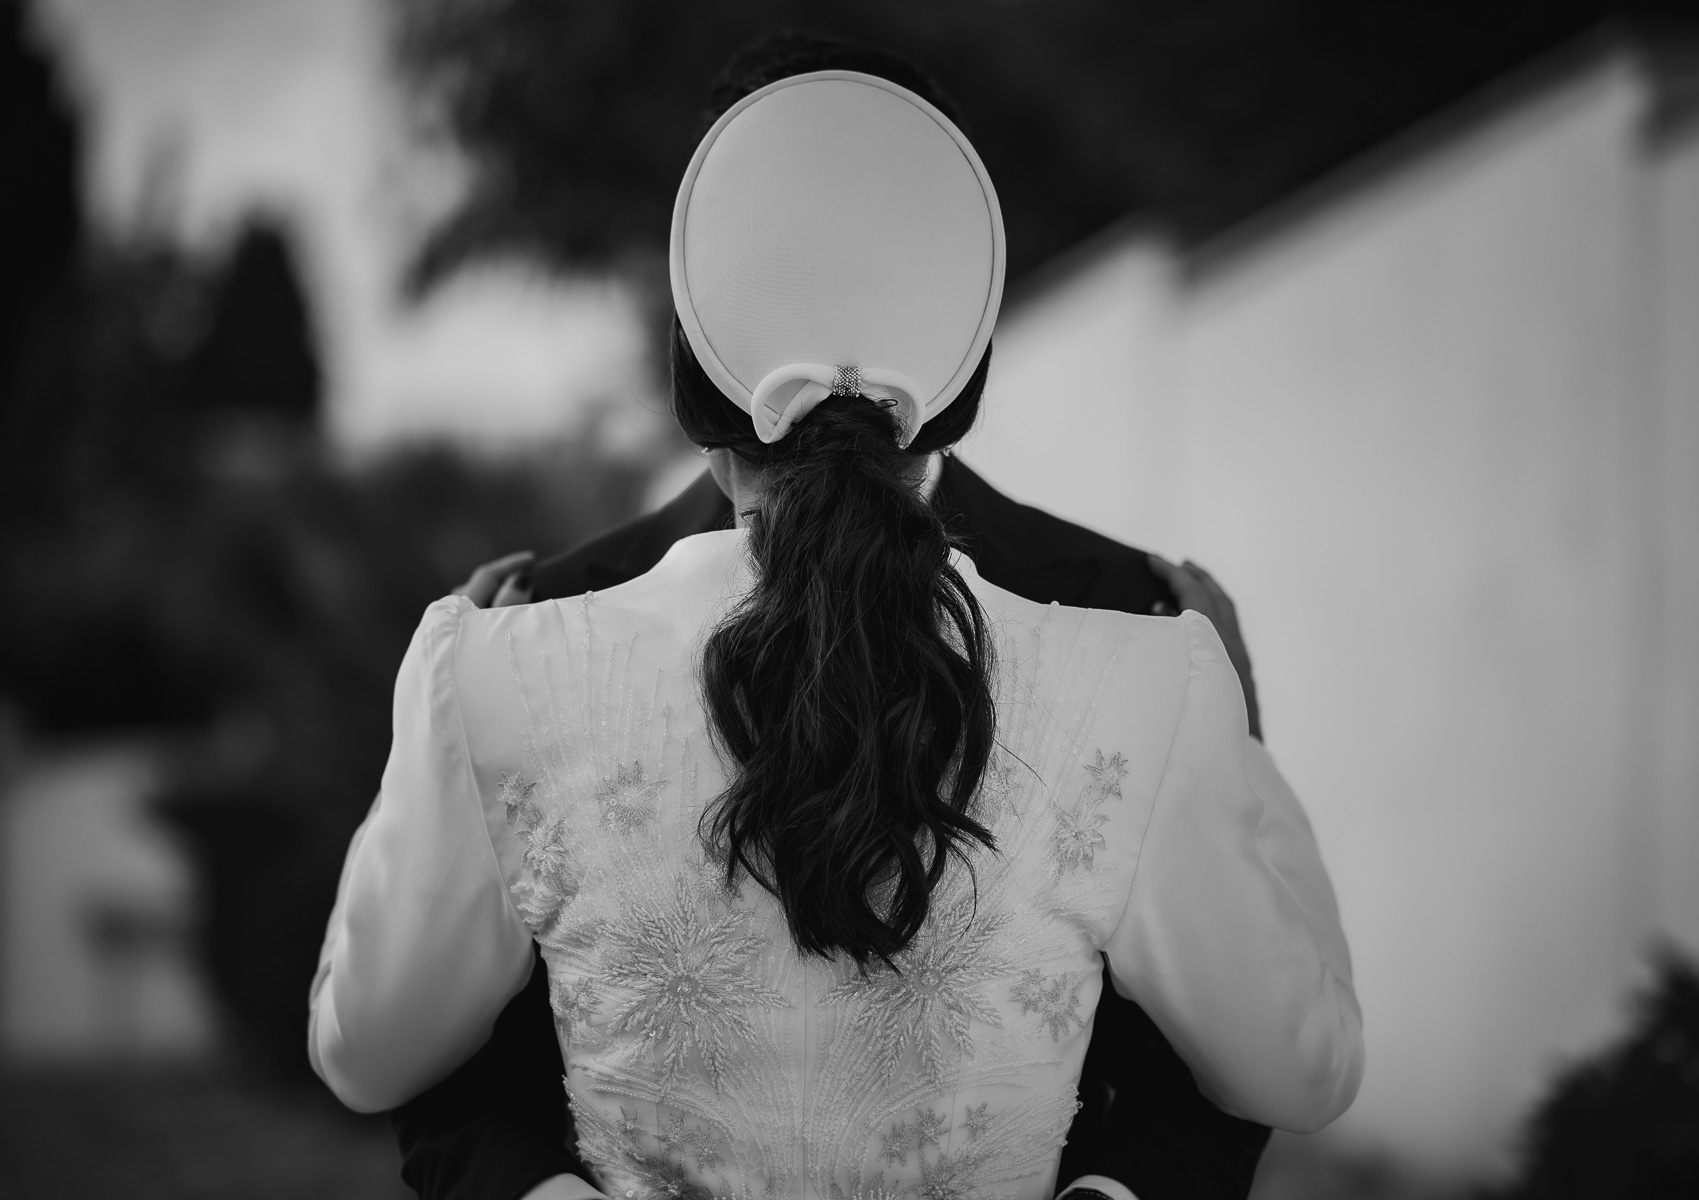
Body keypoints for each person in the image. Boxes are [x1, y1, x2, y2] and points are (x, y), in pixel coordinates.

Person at [311, 50, 1362, 1200]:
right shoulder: (1155, 661)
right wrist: (1239, 739)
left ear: (696, 384)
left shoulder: (504, 658)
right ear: (961, 373)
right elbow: (1296, 1068)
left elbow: (377, 1055)